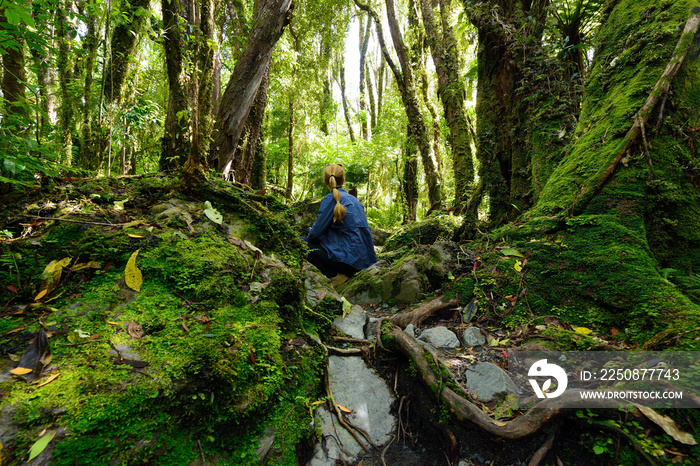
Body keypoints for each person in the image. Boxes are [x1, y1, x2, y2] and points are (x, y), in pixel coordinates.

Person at [303, 164, 376, 287]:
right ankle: (341, 272)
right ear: (343, 180)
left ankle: (334, 275)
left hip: (347, 262)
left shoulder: (330, 199)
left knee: (301, 243)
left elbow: (314, 235)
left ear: (326, 181)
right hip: (365, 261)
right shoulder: (355, 201)